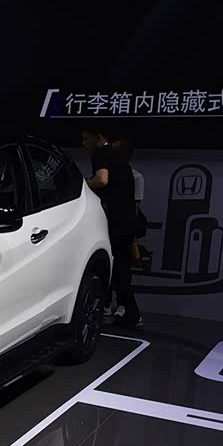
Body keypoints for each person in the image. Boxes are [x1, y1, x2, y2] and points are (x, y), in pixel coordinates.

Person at [82, 128, 143, 327]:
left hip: (115, 223)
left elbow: (101, 179)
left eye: (86, 138)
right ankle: (131, 314)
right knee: (121, 271)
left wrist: (82, 184)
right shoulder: (120, 159)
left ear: (98, 136)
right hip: (126, 223)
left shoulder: (101, 153)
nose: (83, 143)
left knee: (114, 271)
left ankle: (126, 313)